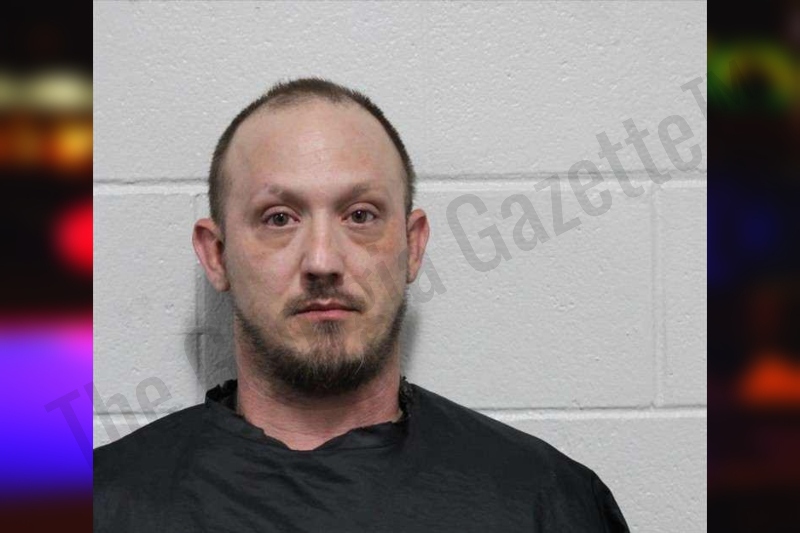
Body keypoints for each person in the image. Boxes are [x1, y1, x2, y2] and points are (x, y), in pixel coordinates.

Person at [93, 78, 630, 532]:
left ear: (412, 246)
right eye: (279, 218)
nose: (322, 261)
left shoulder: (543, 501)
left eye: (360, 215)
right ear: (216, 255)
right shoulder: (105, 504)